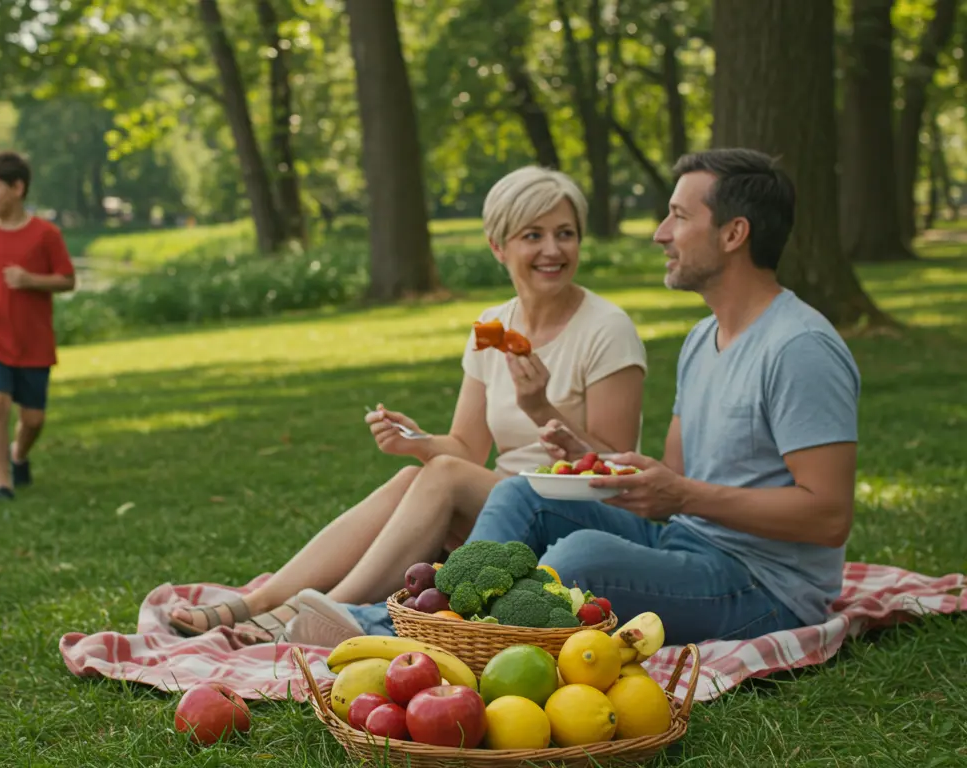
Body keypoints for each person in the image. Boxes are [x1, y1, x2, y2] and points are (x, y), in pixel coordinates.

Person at [301, 148, 860, 647]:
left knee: (577, 561)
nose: (660, 233)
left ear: (734, 234)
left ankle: (401, 633)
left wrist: (682, 495)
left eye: (679, 217)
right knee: (523, 495)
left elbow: (828, 516)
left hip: (763, 583)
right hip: (689, 542)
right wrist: (593, 455)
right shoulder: (702, 339)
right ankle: (420, 624)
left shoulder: (798, 348)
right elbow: (676, 480)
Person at [168, 167, 648, 644]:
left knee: (439, 474)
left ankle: (329, 611)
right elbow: (465, 449)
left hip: (574, 519)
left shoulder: (607, 329)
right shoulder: (492, 327)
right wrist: (414, 442)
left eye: (565, 234)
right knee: (417, 474)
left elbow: (616, 473)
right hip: (499, 509)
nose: (553, 250)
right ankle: (259, 603)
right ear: (498, 246)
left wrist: (540, 407)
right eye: (533, 235)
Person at [0, 151, 76, 500]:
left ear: (17, 188)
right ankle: (2, 484)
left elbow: (67, 281)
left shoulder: (46, 234)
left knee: (35, 419)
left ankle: (19, 454)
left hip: (33, 340)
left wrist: (30, 280)